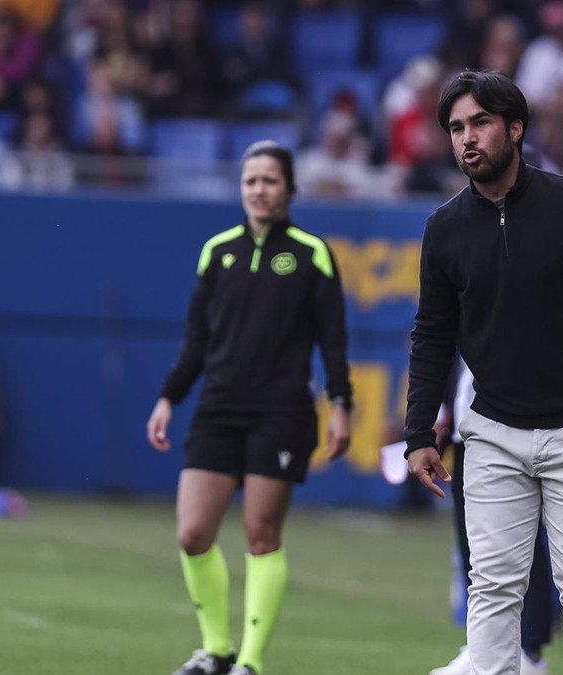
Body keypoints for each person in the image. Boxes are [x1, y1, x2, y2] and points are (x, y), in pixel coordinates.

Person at [404, 70, 563, 675]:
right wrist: (419, 432)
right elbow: (432, 334)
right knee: (491, 588)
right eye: (456, 128)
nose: (467, 139)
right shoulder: (444, 228)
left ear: (515, 129)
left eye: (480, 123)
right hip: (491, 432)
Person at [147, 141, 353, 675]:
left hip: (281, 413)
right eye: (250, 181)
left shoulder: (311, 252)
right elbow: (196, 341)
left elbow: (333, 340)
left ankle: (251, 663)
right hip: (217, 407)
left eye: (269, 180)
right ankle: (216, 651)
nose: (259, 190)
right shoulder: (218, 251)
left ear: (289, 188)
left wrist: (340, 406)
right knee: (192, 533)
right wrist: (170, 397)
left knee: (261, 533)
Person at [431, 361, 557, 675]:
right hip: (467, 423)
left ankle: (528, 651)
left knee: (523, 545)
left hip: (515, 422)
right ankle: (483, 647)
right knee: (475, 549)